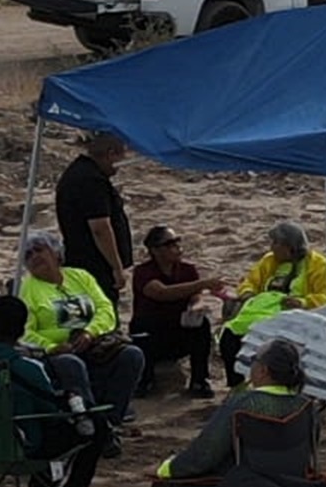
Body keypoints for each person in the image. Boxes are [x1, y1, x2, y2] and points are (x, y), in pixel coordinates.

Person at [150, 339, 314, 487]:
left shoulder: (244, 404)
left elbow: (204, 454)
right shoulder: (305, 406)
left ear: (263, 370)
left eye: (253, 360)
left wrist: (169, 468)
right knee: (232, 469)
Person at [0, 295, 107, 487]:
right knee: (95, 425)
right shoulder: (26, 367)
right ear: (22, 330)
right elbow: (50, 412)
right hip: (21, 450)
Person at [17, 230, 146, 430]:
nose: (34, 256)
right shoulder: (28, 289)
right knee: (71, 364)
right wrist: (51, 347)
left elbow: (105, 309)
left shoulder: (80, 277)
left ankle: (111, 419)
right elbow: (24, 332)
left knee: (132, 355)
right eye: (28, 255)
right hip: (56, 353)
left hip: (92, 343)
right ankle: (93, 423)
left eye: (39, 250)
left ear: (56, 253)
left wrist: (90, 332)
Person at [218, 221, 326, 387]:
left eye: (275, 243)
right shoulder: (269, 261)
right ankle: (236, 385)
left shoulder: (318, 265)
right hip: (262, 313)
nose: (271, 247)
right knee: (228, 338)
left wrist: (303, 302)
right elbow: (250, 281)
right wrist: (248, 293)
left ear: (289, 246)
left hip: (295, 319)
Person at [131, 224, 221, 399]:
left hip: (178, 328)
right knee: (143, 326)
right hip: (152, 330)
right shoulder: (144, 272)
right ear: (155, 250)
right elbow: (161, 293)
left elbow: (195, 296)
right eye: (170, 244)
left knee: (202, 325)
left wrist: (197, 306)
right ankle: (145, 380)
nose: (177, 248)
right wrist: (202, 284)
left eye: (177, 242)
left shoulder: (187, 270)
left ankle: (199, 380)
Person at [55, 132, 133, 309]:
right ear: (111, 154)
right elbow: (100, 228)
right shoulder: (91, 180)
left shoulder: (78, 172)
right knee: (97, 317)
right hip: (93, 266)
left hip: (79, 263)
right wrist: (116, 267)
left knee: (79, 319)